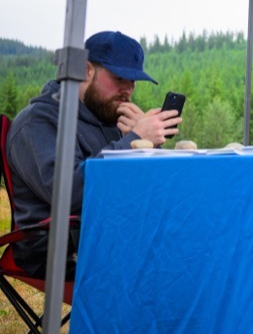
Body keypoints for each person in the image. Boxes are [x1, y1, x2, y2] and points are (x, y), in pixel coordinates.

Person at [7, 31, 180, 278]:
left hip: (112, 234)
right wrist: (133, 140)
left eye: (133, 81)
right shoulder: (38, 121)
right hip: (59, 248)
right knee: (174, 263)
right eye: (119, 78)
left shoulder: (111, 119)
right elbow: (69, 193)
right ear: (87, 70)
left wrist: (147, 146)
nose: (127, 90)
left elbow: (151, 187)